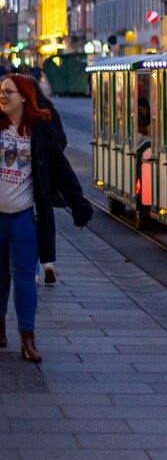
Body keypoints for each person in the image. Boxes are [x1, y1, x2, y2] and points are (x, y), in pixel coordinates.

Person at [0, 74, 93, 362]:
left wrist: (80, 206)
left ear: (24, 97)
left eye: (8, 92)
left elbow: (62, 170)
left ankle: (27, 336)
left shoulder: (40, 131)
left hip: (27, 215)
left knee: (24, 276)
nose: (2, 96)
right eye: (0, 92)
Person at [28, 77, 67, 285]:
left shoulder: (26, 113)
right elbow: (63, 139)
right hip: (46, 176)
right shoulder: (50, 109)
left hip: (27, 176)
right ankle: (48, 265)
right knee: (45, 219)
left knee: (29, 221)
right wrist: (53, 158)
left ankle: (33, 270)